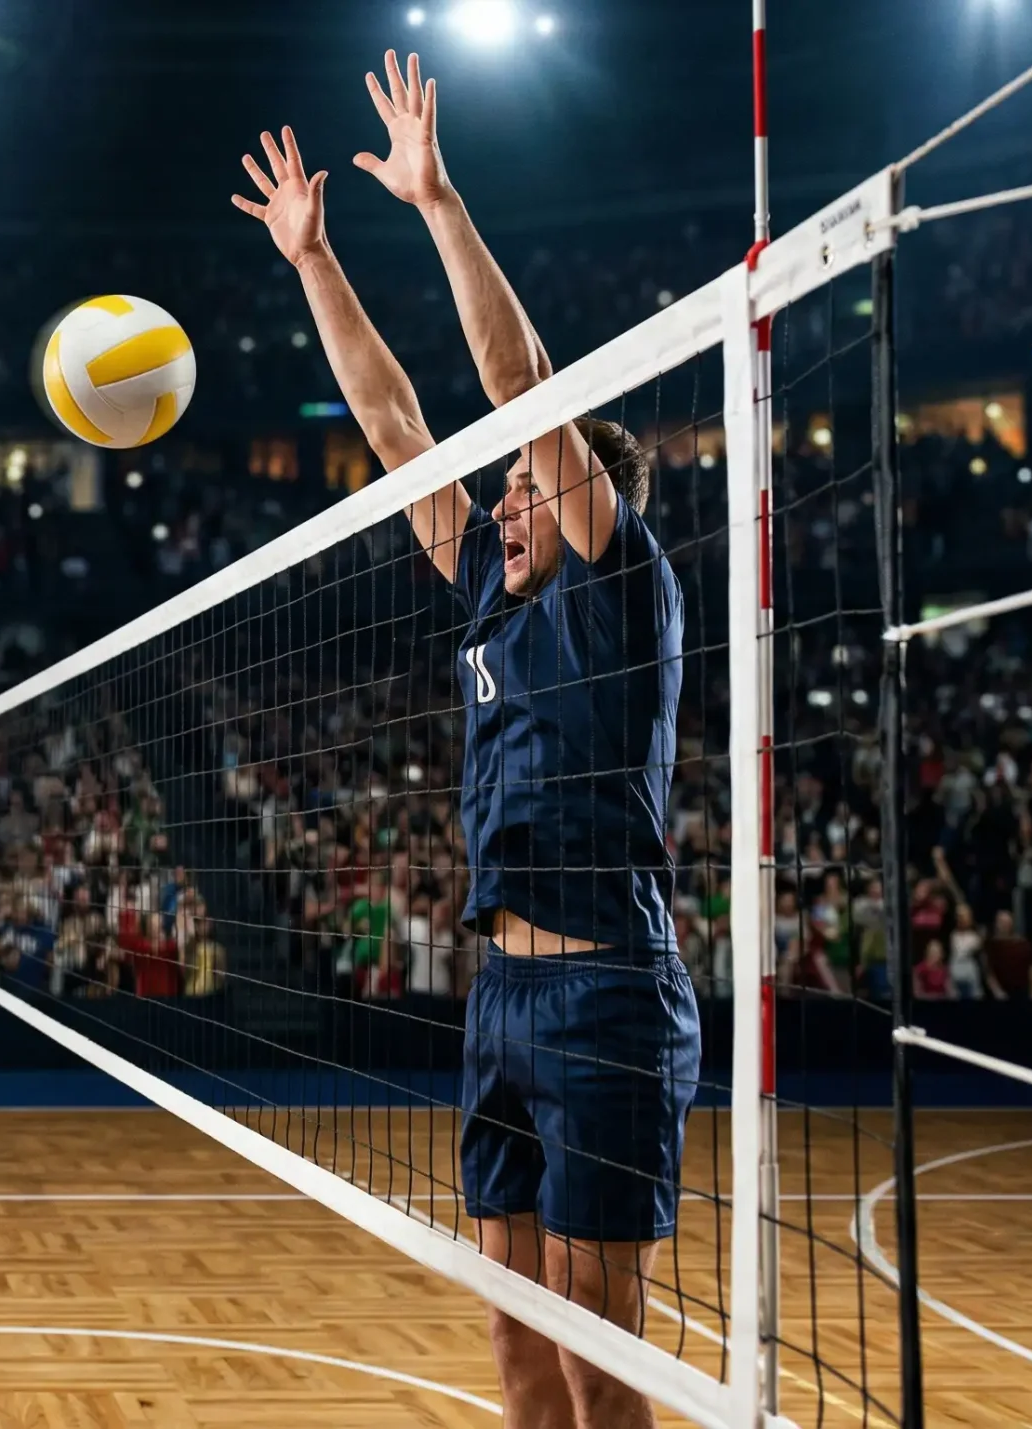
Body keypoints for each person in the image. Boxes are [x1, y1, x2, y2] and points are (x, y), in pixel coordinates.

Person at [237, 52, 694, 1428]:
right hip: (500, 998)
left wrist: (437, 203)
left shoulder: (620, 587)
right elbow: (394, 427)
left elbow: (518, 384)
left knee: (598, 1354)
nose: (500, 503)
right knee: (513, 1338)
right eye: (497, 492)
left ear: (581, 492)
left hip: (607, 995)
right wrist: (315, 260)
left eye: (523, 488)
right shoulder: (494, 587)